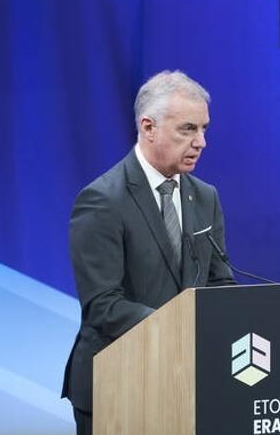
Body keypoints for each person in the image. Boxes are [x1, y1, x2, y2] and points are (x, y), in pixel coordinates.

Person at [61, 70, 236, 435]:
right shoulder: (102, 200)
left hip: (186, 385)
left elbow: (220, 281)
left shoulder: (205, 197)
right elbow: (103, 304)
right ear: (148, 127)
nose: (201, 141)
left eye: (204, 129)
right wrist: (179, 330)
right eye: (187, 129)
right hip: (119, 384)